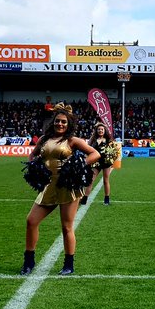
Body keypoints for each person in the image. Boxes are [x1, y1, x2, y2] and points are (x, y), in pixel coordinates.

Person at [21, 104, 101, 276]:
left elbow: (95, 154)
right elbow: (32, 155)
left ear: (69, 123)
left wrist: (79, 165)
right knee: (31, 221)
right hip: (48, 187)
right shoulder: (44, 139)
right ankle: (29, 261)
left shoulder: (73, 140)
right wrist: (34, 167)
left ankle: (68, 264)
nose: (60, 124)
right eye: (57, 121)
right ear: (53, 122)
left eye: (64, 122)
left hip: (68, 188)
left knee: (66, 227)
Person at [85, 120, 118, 206]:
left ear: (104, 131)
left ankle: (106, 199)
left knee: (106, 181)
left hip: (106, 163)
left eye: (102, 129)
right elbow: (88, 150)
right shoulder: (92, 140)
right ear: (96, 130)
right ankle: (85, 198)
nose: (100, 131)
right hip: (96, 163)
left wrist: (111, 160)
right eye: (99, 129)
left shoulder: (108, 140)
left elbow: (114, 151)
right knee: (90, 180)